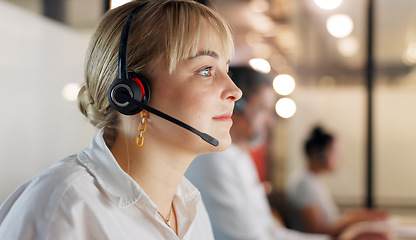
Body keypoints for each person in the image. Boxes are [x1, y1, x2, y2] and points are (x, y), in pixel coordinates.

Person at [0, 0, 241, 239]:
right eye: (206, 70)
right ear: (132, 93)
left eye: (226, 70)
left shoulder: (190, 211)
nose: (235, 91)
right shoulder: (64, 208)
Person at [186, 66, 329, 240]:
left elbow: (270, 230)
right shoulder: (214, 158)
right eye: (263, 109)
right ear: (237, 105)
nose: (270, 121)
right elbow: (249, 237)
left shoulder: (239, 156)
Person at [286, 126, 388, 238]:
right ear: (319, 154)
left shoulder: (313, 181)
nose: (339, 158)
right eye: (335, 152)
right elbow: (316, 230)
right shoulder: (303, 184)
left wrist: (356, 216)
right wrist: (352, 220)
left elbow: (329, 223)